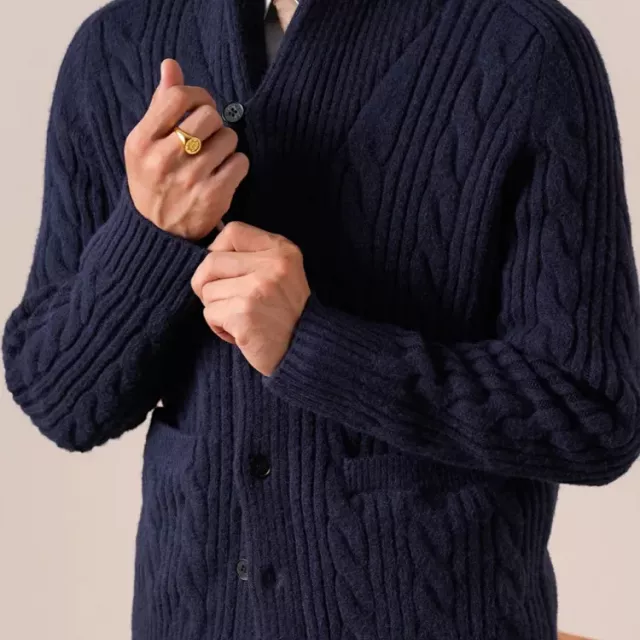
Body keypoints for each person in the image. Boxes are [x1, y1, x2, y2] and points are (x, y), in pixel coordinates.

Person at [4, 0, 640, 638]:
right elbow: (61, 400)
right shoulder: (115, 48)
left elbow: (594, 414)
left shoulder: (525, 48)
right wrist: (152, 234)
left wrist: (315, 347)